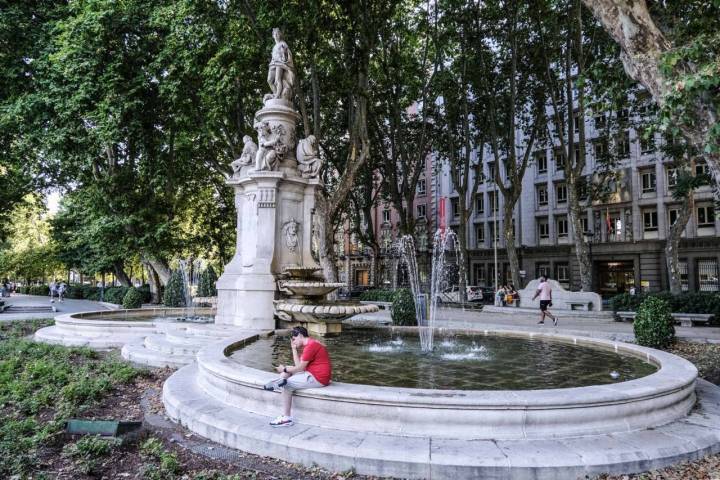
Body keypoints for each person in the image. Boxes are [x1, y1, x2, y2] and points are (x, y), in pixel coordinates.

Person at [263, 326, 331, 427]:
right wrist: (293, 349)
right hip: (314, 374)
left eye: (294, 339)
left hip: (317, 378)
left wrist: (284, 369)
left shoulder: (310, 346)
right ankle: (279, 381)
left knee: (287, 385)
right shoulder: (311, 343)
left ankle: (287, 418)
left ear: (300, 335)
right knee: (286, 373)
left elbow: (300, 368)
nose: (293, 341)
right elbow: (299, 366)